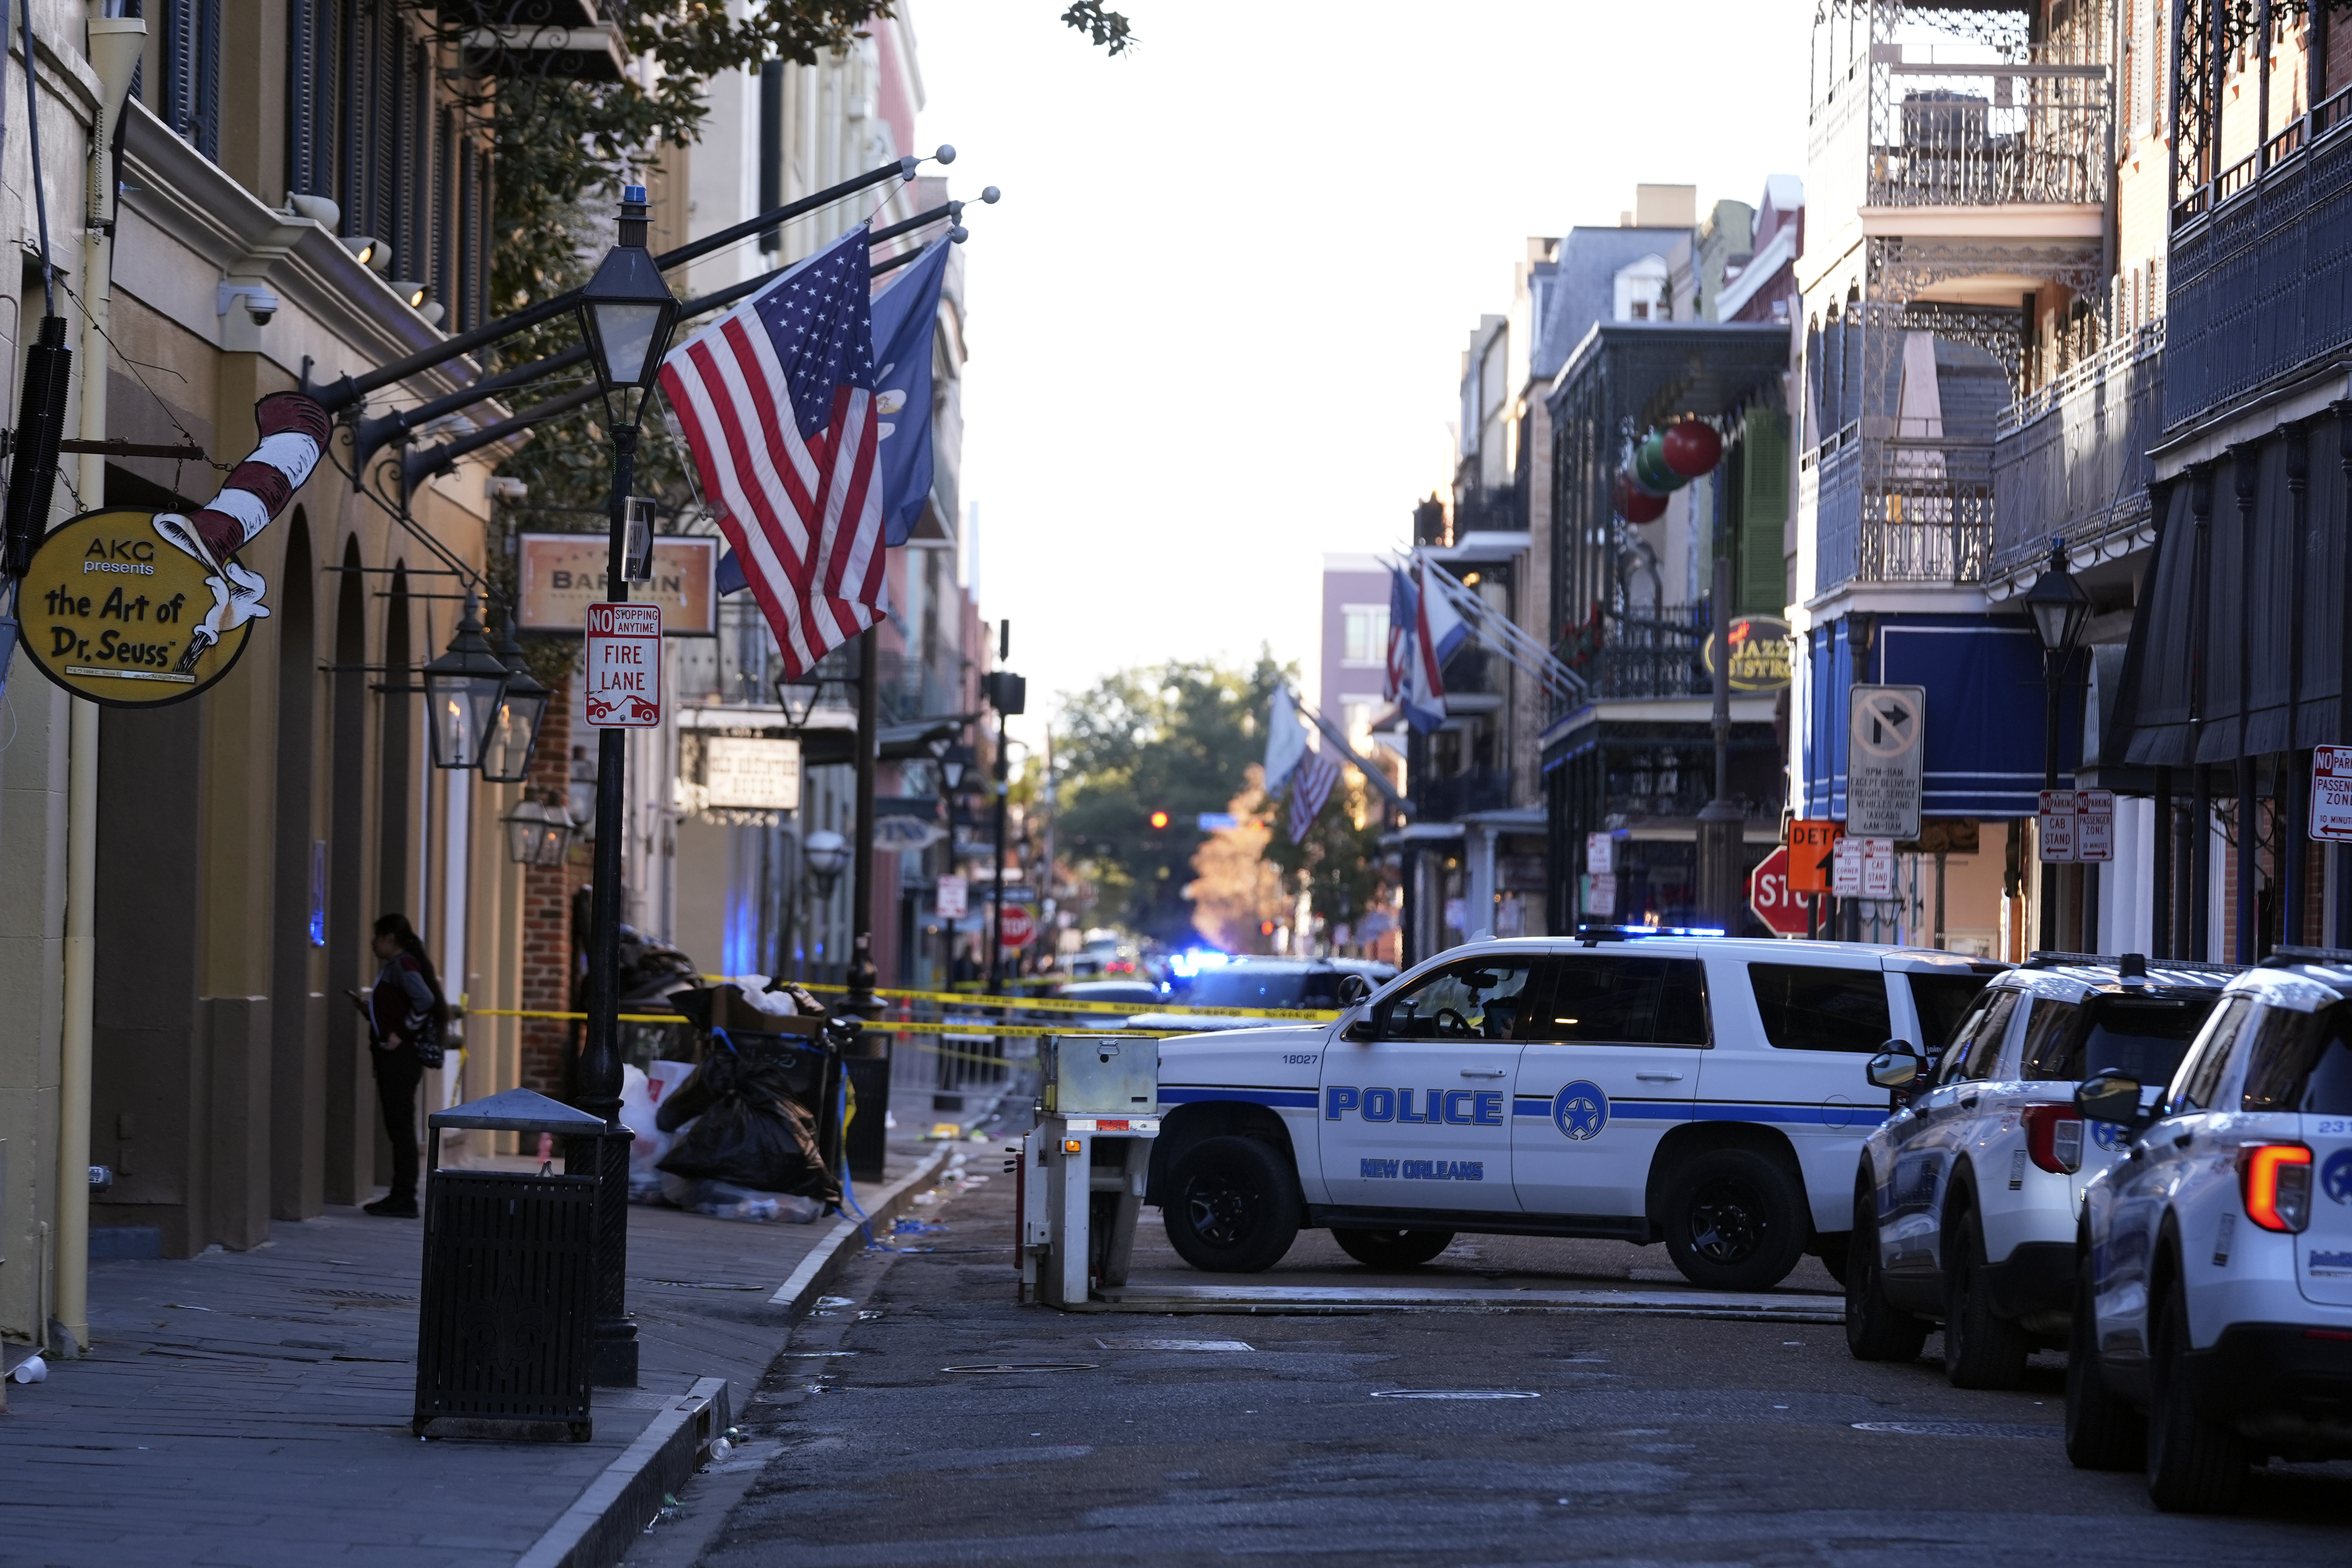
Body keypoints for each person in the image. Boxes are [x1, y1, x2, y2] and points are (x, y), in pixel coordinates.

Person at [346, 913, 445, 1218]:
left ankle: (404, 1197)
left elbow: (425, 1001)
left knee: (400, 1128)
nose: (373, 943)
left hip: (399, 1061)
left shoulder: (402, 966)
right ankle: (401, 1194)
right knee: (398, 1126)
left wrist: (401, 1034)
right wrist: (370, 1011)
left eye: (377, 937)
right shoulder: (399, 966)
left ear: (391, 938)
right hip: (395, 1057)